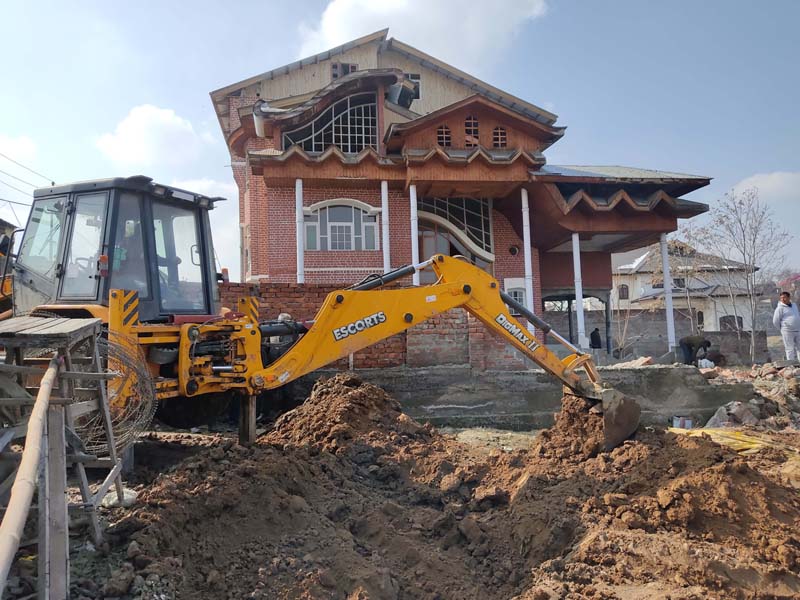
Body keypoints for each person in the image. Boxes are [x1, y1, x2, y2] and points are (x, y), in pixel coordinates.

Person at [773, 291, 800, 360]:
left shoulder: (794, 305)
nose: (783, 299)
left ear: (789, 297)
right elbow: (775, 321)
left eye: (784, 297)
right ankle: (791, 365)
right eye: (781, 298)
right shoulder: (780, 308)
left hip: (797, 330)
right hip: (787, 331)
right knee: (790, 348)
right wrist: (783, 329)